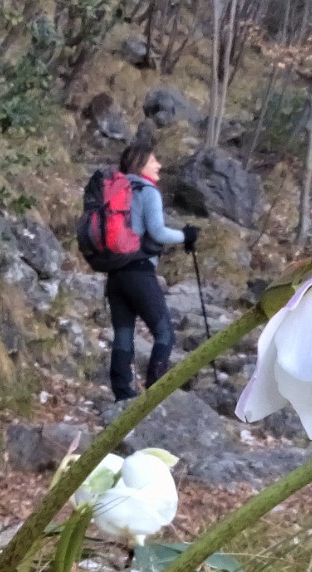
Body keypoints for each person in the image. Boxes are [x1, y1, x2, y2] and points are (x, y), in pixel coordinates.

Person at [106, 142, 199, 401]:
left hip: (115, 274)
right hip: (139, 272)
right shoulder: (147, 191)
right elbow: (157, 232)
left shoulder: (115, 191)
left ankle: (123, 395)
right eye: (154, 160)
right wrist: (186, 235)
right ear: (141, 163)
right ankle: (155, 394)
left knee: (123, 334)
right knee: (164, 333)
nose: (158, 164)